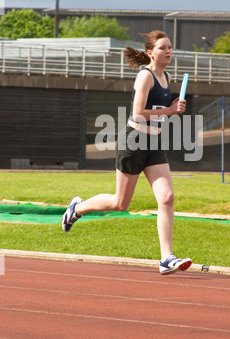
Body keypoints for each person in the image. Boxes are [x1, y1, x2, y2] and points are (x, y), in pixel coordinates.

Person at [62, 30, 192, 275]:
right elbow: (138, 113)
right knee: (120, 203)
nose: (169, 52)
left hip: (154, 144)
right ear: (151, 52)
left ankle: (167, 257)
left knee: (166, 197)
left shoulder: (167, 77)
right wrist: (170, 111)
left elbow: (159, 110)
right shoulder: (145, 76)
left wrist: (173, 108)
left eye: (170, 48)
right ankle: (77, 208)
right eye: (163, 48)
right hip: (133, 141)